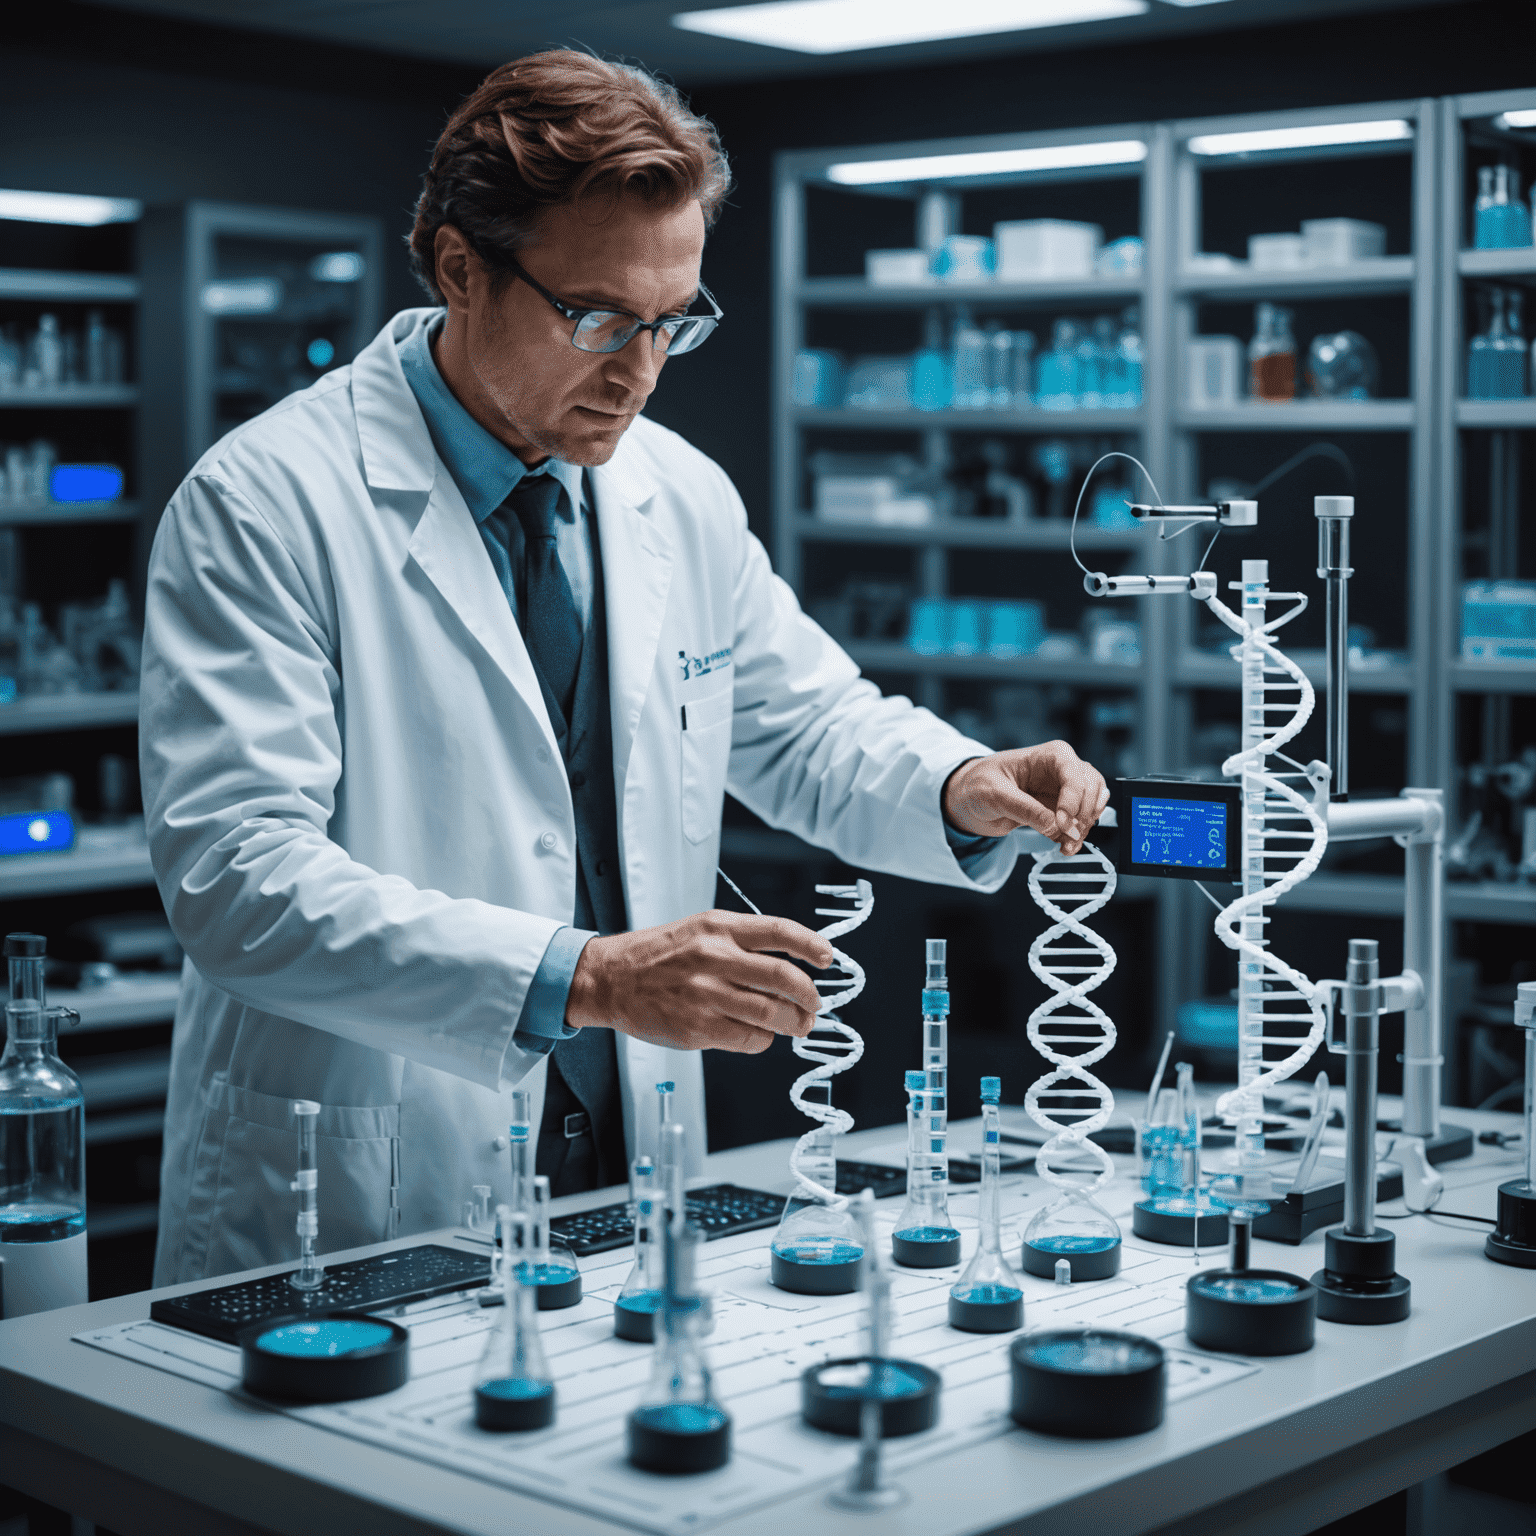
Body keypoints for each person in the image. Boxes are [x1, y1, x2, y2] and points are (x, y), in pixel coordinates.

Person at [141, 50, 1107, 1285]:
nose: (640, 373)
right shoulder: (267, 503)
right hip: (371, 1174)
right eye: (599, 319)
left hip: (623, 1162)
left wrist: (959, 780)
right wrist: (589, 976)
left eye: (672, 324)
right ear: (458, 270)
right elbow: (239, 881)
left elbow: (804, 722)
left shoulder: (674, 490)